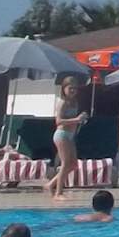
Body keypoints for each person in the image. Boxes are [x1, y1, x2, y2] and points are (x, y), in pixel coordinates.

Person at [45, 74, 87, 202]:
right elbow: (58, 121)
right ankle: (58, 193)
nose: (73, 91)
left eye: (75, 88)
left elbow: (74, 120)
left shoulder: (74, 103)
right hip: (62, 134)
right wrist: (76, 119)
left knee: (73, 164)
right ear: (64, 89)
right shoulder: (62, 103)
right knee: (65, 163)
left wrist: (81, 118)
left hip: (70, 135)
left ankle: (50, 184)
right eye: (70, 88)